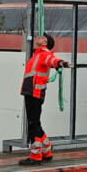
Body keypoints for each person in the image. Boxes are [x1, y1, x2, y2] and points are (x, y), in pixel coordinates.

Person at [20, 33, 68, 164]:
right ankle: (47, 150)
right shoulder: (37, 54)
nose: (39, 37)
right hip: (32, 92)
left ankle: (36, 156)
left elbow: (51, 60)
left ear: (45, 43)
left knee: (33, 124)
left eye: (42, 38)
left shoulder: (44, 54)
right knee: (35, 123)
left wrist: (60, 63)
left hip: (34, 93)